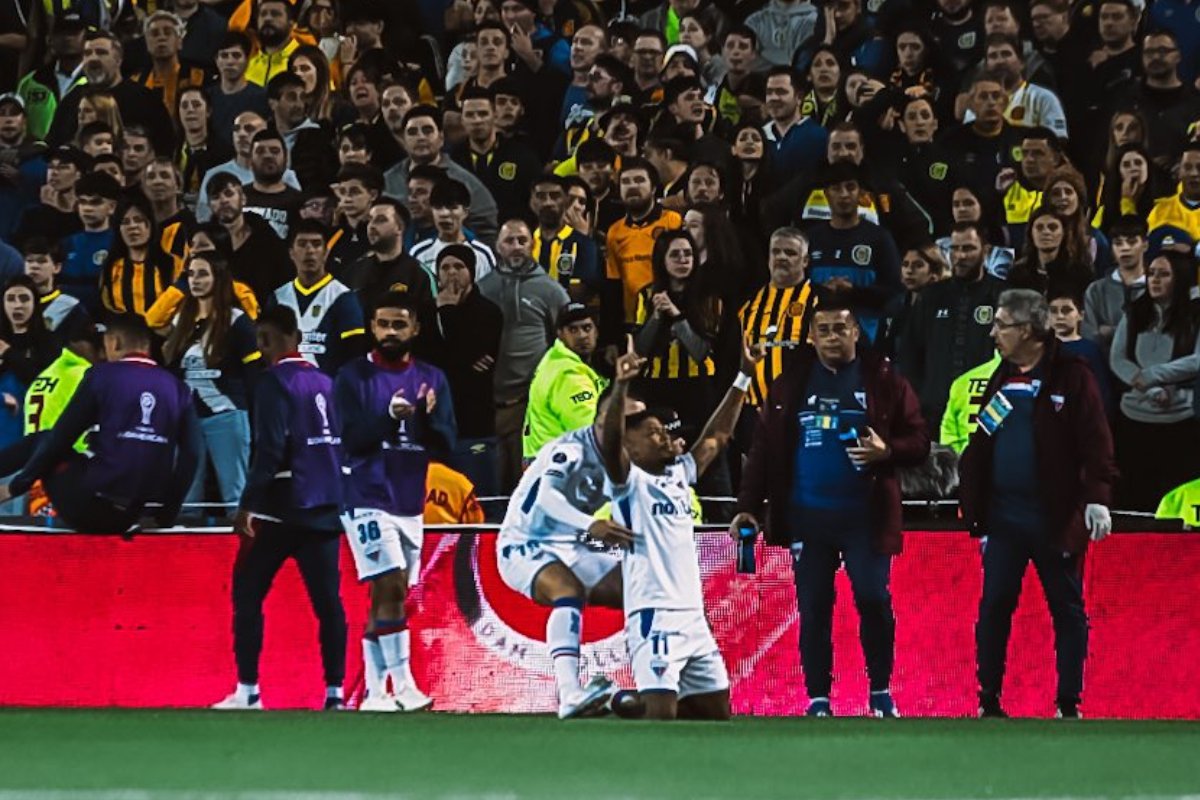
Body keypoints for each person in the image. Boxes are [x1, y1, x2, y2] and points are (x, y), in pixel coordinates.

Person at [732, 295, 928, 718]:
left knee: (873, 598)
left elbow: (920, 441)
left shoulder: (883, 377)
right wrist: (747, 505)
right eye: (823, 330)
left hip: (865, 518)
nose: (832, 337)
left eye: (841, 328)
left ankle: (880, 692)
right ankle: (818, 699)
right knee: (814, 606)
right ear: (811, 336)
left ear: (857, 331)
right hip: (808, 518)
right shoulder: (791, 383)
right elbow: (763, 448)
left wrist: (886, 451)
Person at [960, 289, 1117, 719]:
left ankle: (1069, 703)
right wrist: (973, 506)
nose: (994, 332)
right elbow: (981, 440)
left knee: (1066, 609)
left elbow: (1096, 442)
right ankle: (987, 698)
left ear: (1027, 330)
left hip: (1055, 517)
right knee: (994, 606)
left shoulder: (1072, 374)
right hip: (1004, 517)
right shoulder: (1003, 375)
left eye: (1001, 324)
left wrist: (1096, 498)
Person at [599, 337, 763, 721]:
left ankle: (623, 703)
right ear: (631, 447)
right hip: (653, 615)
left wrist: (743, 376)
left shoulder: (678, 474)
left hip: (693, 614)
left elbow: (717, 438)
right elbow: (609, 444)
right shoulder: (628, 481)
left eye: (663, 430)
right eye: (652, 432)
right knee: (662, 717)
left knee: (715, 711)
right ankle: (631, 705)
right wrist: (621, 384)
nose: (665, 437)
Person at [214, 305, 348, 711]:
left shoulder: (274, 383)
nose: (261, 347)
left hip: (279, 508)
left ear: (274, 338)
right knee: (328, 603)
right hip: (324, 505)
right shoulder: (327, 382)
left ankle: (248, 691)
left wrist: (247, 504)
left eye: (263, 339)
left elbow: (269, 447)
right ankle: (335, 694)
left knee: (248, 593)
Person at [335, 292, 456, 712]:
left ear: (416, 329)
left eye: (399, 324)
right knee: (388, 584)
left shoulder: (433, 378)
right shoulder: (352, 377)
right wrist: (391, 416)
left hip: (409, 499)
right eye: (383, 324)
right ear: (371, 327)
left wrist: (426, 416)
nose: (390, 332)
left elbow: (448, 445)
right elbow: (349, 439)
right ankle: (403, 686)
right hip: (366, 495)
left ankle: (373, 693)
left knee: (392, 595)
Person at [497, 383, 643, 718]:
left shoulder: (628, 461)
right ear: (601, 418)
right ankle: (569, 694)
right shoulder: (570, 449)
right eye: (621, 418)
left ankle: (656, 680)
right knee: (568, 591)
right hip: (524, 542)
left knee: (638, 589)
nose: (625, 428)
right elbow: (548, 499)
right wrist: (590, 525)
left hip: (571, 544)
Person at [0, 315, 201, 533]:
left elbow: (59, 438)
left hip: (91, 508)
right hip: (137, 513)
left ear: (114, 342)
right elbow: (192, 455)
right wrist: (167, 515)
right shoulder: (179, 388)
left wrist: (17, 485)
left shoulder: (101, 376)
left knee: (43, 439)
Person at [162, 253, 262, 512]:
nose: (195, 280)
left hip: (227, 414)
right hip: (187, 419)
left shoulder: (238, 320)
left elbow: (254, 375)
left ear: (218, 277)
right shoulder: (179, 320)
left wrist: (257, 418)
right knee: (186, 497)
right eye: (190, 274)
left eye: (202, 273)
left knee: (235, 495)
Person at [477, 219, 569, 491]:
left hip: (530, 404)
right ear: (497, 246)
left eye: (522, 241)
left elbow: (564, 343)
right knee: (495, 486)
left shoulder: (551, 290)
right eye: (509, 241)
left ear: (533, 244)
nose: (516, 247)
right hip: (490, 403)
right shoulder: (482, 288)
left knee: (527, 484)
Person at [1109, 252, 1200, 511]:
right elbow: (1118, 358)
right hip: (1134, 418)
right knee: (1134, 497)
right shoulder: (1136, 311)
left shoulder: (1195, 314)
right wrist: (1151, 388)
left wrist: (1153, 375)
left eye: (1164, 274)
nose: (1155, 280)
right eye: (1152, 274)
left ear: (1180, 279)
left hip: (1180, 420)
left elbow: (1197, 359)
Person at [899, 222, 1005, 434]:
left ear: (985, 251)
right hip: (933, 410)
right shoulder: (930, 296)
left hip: (983, 409)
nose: (960, 256)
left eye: (968, 248)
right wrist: (918, 398)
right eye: (954, 249)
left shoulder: (1002, 294)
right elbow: (910, 353)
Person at [424, 245, 502, 495]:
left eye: (459, 267)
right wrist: (459, 361)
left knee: (480, 497)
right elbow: (428, 359)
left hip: (474, 420)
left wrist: (448, 312)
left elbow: (468, 354)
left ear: (472, 271)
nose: (452, 273)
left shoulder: (489, 312)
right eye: (445, 268)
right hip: (435, 420)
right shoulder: (425, 311)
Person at [270, 220, 366, 376]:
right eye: (302, 244)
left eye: (316, 244)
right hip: (285, 389)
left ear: (326, 253)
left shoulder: (343, 297)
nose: (310, 251)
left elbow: (353, 357)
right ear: (291, 253)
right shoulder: (278, 297)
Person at [523, 302, 605, 461]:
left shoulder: (554, 357)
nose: (582, 335)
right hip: (558, 464)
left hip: (545, 458)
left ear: (596, 331)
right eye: (573, 330)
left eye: (587, 328)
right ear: (560, 334)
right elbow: (591, 433)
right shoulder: (569, 374)